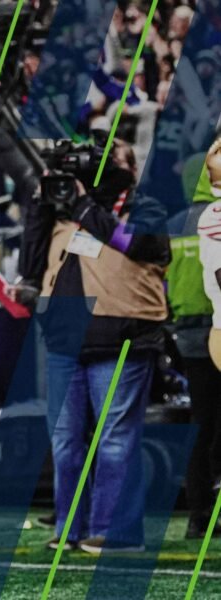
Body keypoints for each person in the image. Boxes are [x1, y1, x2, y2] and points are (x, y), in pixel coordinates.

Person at [12, 140, 169, 554]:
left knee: (115, 439)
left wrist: (84, 206)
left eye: (105, 160)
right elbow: (30, 263)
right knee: (65, 442)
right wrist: (39, 204)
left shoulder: (145, 205)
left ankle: (116, 532)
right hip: (65, 339)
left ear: (126, 168)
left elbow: (137, 245)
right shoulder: (63, 209)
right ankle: (70, 528)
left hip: (123, 335)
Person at [169, 149, 221, 538]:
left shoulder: (173, 224)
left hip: (186, 332)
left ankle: (198, 514)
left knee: (201, 423)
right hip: (215, 326)